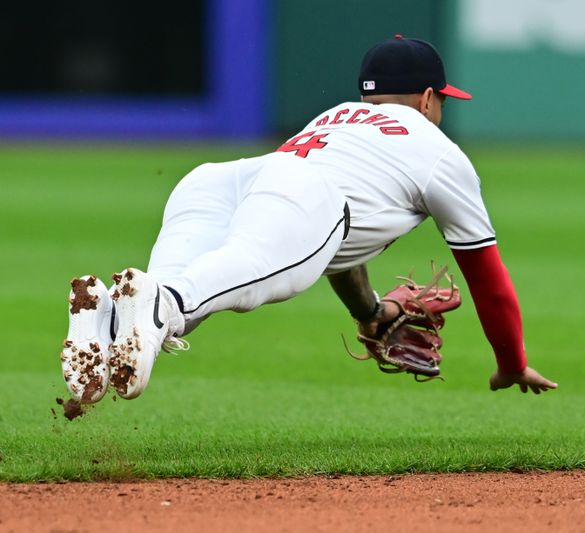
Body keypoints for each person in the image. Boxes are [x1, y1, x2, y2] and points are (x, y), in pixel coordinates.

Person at [60, 35, 558, 404]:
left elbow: (329, 243)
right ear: (429, 98)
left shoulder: (336, 117)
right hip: (304, 197)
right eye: (443, 100)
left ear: (370, 95)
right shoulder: (439, 154)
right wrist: (511, 364)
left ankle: (100, 325)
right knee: (207, 287)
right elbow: (489, 283)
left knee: (176, 299)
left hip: (224, 180)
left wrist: (371, 314)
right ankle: (157, 304)